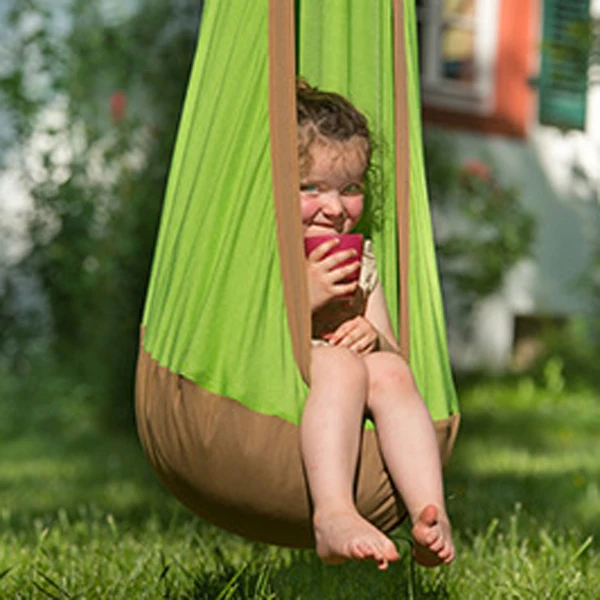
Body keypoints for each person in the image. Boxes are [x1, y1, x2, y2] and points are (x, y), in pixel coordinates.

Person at [297, 79, 455, 570]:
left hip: (349, 381)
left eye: (351, 189)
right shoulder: (268, 251)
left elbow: (388, 343)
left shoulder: (360, 256)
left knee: (392, 371)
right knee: (343, 366)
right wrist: (308, 294)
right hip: (288, 373)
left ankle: (431, 515)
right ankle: (333, 514)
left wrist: (375, 336)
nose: (335, 208)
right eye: (310, 188)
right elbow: (247, 329)